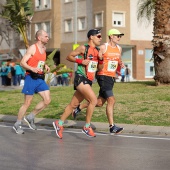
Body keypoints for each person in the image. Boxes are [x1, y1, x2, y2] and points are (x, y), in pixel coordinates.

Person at [53, 29, 103, 139]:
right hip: (81, 78)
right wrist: (80, 61)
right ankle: (87, 126)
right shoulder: (83, 48)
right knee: (93, 100)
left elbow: (100, 68)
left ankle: (59, 123)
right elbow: (69, 56)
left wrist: (101, 59)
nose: (101, 38)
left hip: (89, 80)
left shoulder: (98, 51)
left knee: (73, 105)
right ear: (91, 37)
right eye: (98, 36)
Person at [73, 28, 125, 134]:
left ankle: (79, 107)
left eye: (120, 36)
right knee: (111, 100)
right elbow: (93, 56)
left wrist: (121, 63)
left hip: (111, 77)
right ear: (111, 36)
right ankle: (112, 126)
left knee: (99, 103)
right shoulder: (103, 47)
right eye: (117, 35)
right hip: (103, 76)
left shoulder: (119, 48)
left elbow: (118, 58)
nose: (119, 38)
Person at [13, 29, 51, 134]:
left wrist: (45, 65)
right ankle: (17, 124)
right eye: (46, 36)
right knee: (27, 103)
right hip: (30, 77)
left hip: (40, 78)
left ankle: (31, 116)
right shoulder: (32, 48)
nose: (48, 38)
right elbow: (22, 63)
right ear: (39, 38)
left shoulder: (44, 48)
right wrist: (32, 68)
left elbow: (40, 61)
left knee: (47, 100)